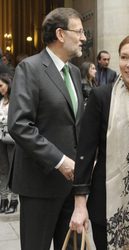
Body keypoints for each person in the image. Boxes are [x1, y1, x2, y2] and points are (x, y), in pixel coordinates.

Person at [7, 7, 85, 250]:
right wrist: (60, 161)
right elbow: (19, 125)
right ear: (61, 34)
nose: (84, 37)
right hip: (39, 184)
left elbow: (74, 124)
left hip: (72, 186)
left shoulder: (73, 71)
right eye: (80, 31)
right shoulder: (29, 68)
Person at [69, 34, 129, 250]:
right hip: (107, 203)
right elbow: (85, 152)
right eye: (124, 57)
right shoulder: (101, 97)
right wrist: (80, 204)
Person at [0, 73, 18, 214]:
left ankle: (14, 200)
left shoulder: (16, 100)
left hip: (12, 139)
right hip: (1, 139)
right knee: (3, 170)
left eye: (1, 85)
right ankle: (3, 199)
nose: (0, 88)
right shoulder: (1, 101)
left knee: (14, 170)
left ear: (8, 84)